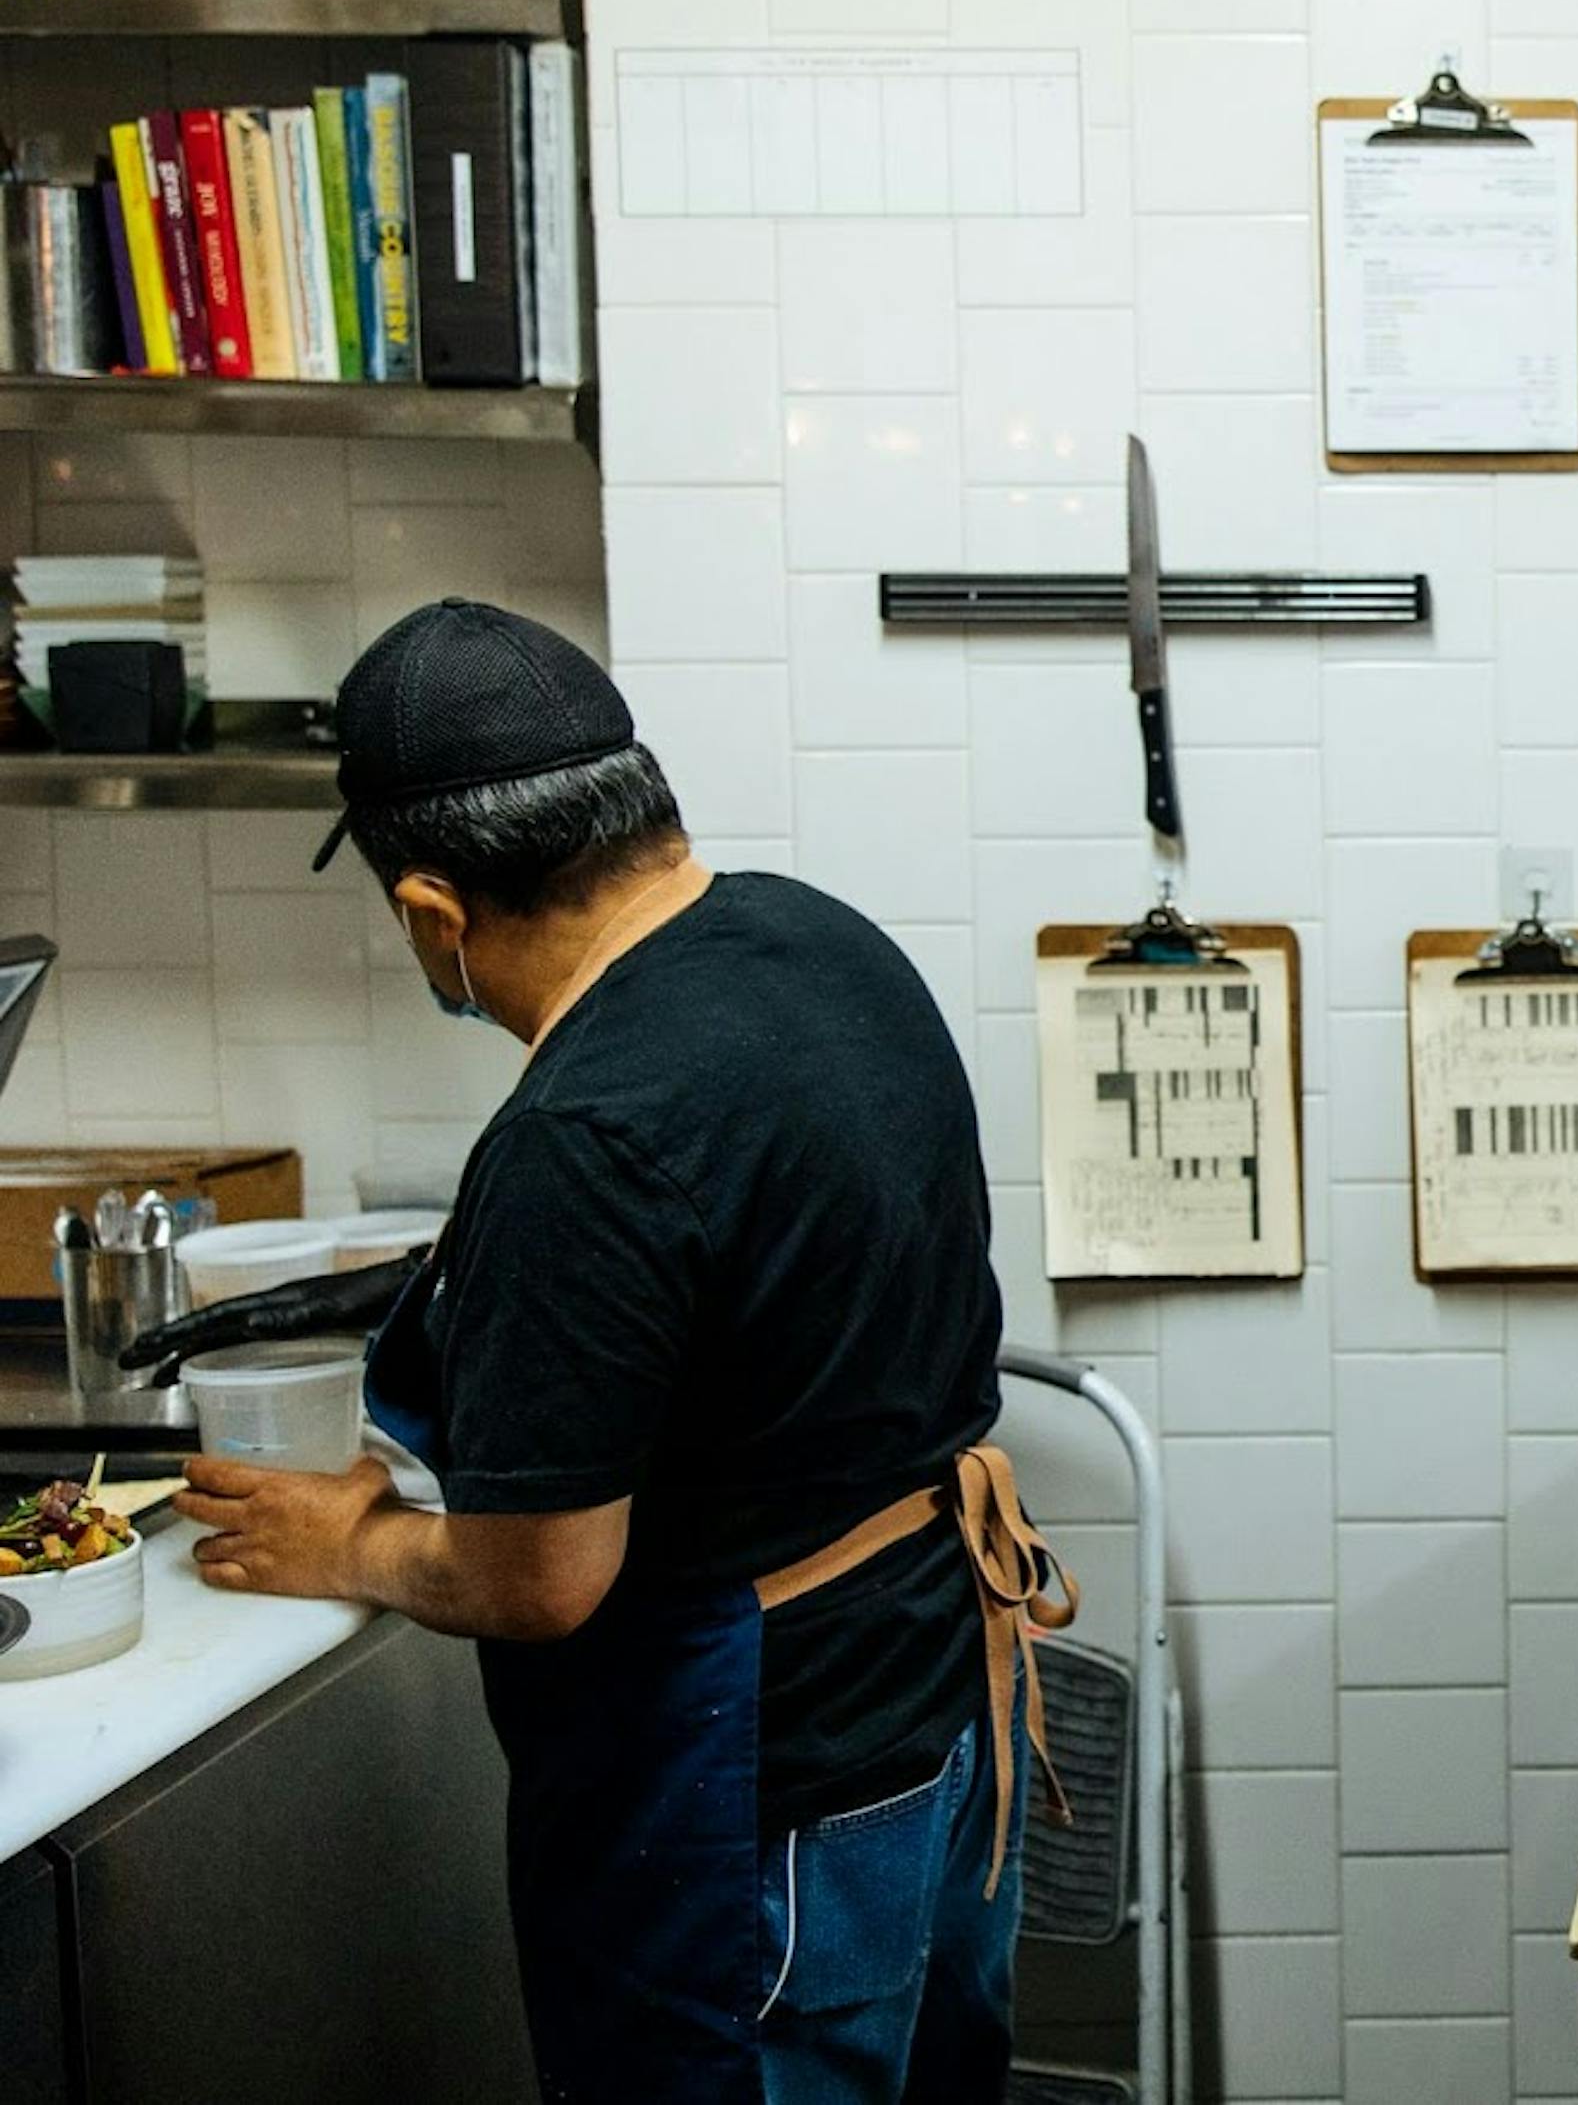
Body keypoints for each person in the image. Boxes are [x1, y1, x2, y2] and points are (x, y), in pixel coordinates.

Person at [168, 599, 1071, 2104]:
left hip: (757, 1816)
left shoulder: (581, 1133)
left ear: (433, 912)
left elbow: (544, 1577)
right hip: (934, 1723)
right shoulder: (826, 943)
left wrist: (358, 1537)